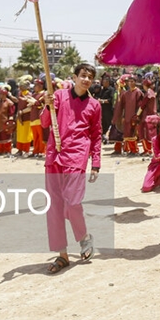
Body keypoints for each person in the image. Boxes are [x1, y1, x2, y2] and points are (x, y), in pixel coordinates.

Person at [42, 63, 103, 275]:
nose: (86, 79)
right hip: (54, 157)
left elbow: (96, 135)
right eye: (83, 75)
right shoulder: (58, 96)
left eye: (90, 77)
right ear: (74, 76)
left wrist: (96, 163)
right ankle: (62, 255)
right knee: (55, 208)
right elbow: (43, 123)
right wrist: (46, 105)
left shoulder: (94, 105)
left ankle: (84, 237)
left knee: (73, 203)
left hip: (77, 157)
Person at [113, 74, 144, 155]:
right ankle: (130, 150)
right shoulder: (126, 94)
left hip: (134, 116)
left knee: (133, 133)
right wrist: (123, 116)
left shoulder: (138, 92)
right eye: (129, 81)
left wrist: (137, 116)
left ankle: (135, 150)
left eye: (132, 81)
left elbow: (141, 105)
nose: (130, 83)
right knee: (127, 134)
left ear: (135, 82)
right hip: (127, 116)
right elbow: (122, 106)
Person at [141, 115, 160, 193]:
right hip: (156, 165)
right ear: (159, 129)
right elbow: (156, 156)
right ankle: (159, 179)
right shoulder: (155, 140)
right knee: (146, 188)